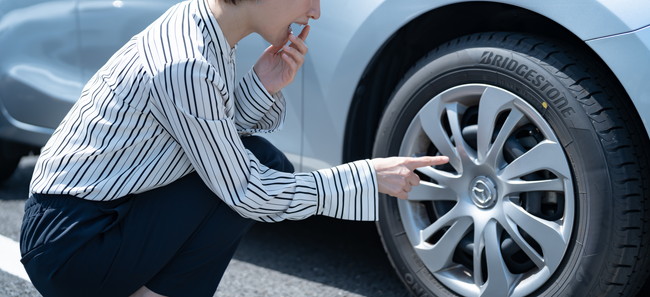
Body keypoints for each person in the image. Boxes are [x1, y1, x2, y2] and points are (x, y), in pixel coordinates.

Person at [20, 0, 449, 296]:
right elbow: (246, 190)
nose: (315, 11)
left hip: (88, 222)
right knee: (254, 176)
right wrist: (366, 177)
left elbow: (200, 142)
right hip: (74, 245)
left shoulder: (200, 26)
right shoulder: (186, 61)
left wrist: (262, 85)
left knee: (261, 161)